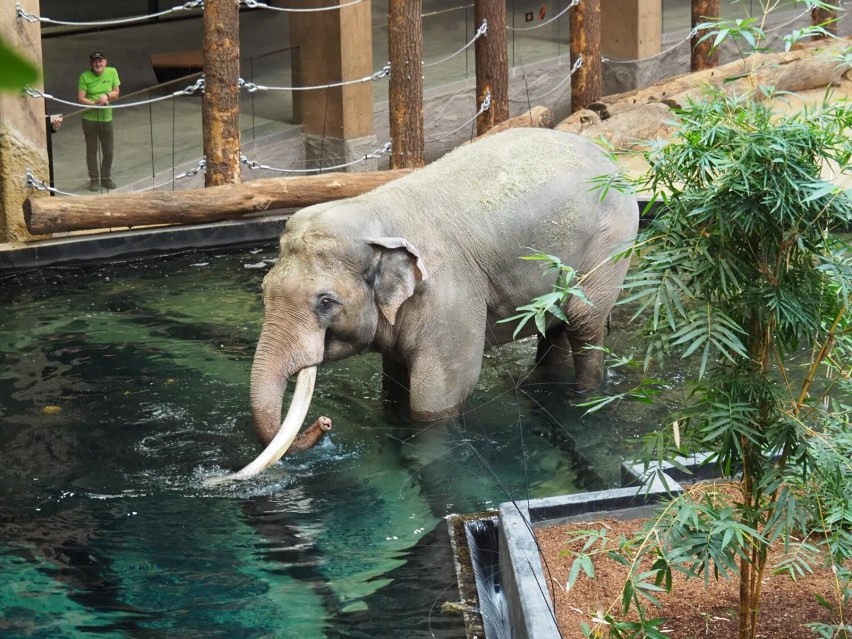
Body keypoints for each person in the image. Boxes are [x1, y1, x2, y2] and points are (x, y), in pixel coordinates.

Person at [77, 52, 120, 192]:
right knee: (92, 151)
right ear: (91, 64)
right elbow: (81, 98)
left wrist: (106, 96)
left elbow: (116, 92)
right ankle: (94, 180)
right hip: (89, 119)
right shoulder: (84, 76)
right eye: (95, 62)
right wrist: (94, 104)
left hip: (106, 118)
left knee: (108, 151)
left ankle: (106, 177)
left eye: (100, 61)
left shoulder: (112, 72)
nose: (98, 64)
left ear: (105, 62)